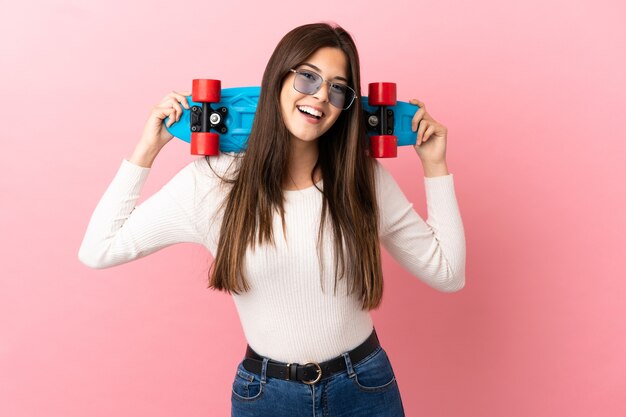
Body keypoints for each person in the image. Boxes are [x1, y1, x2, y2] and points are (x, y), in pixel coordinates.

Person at [78, 22, 465, 417]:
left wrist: (435, 165)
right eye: (308, 78)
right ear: (277, 79)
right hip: (267, 397)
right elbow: (98, 249)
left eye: (337, 88)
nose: (320, 97)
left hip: (364, 389)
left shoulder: (362, 180)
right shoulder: (212, 183)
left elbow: (448, 273)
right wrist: (145, 149)